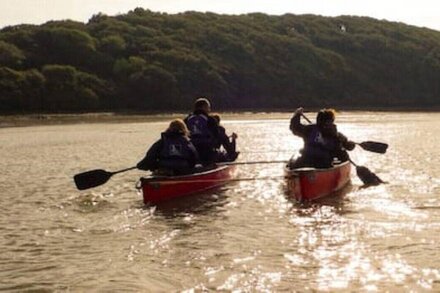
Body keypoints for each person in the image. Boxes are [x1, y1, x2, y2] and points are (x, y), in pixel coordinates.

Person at [289, 107, 355, 169]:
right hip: (314, 161)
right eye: (327, 122)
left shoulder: (335, 135)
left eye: (329, 122)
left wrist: (296, 115)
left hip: (319, 162)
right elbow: (295, 128)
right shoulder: (310, 129)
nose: (327, 125)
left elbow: (295, 127)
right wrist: (297, 115)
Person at [184, 97, 238, 164]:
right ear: (204, 107)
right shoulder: (210, 120)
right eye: (208, 108)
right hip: (208, 155)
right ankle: (231, 154)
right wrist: (232, 145)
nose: (209, 110)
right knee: (221, 132)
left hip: (189, 155)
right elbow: (218, 136)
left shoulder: (186, 120)